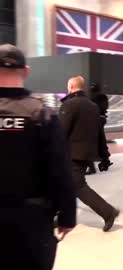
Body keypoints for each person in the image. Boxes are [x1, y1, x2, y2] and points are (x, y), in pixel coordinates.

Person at [0, 44, 76, 270]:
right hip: (33, 221)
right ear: (26, 71)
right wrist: (67, 217)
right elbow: (61, 170)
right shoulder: (42, 115)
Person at [59, 76, 119, 232]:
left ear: (71, 86)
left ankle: (108, 212)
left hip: (71, 154)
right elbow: (100, 133)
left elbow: (61, 132)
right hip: (86, 153)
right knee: (65, 185)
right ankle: (61, 217)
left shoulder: (69, 104)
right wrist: (104, 155)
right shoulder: (93, 106)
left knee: (77, 186)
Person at [86, 83, 113, 175]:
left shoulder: (95, 98)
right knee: (100, 140)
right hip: (100, 119)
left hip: (97, 120)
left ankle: (95, 164)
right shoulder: (101, 97)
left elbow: (98, 108)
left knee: (94, 141)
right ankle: (105, 160)